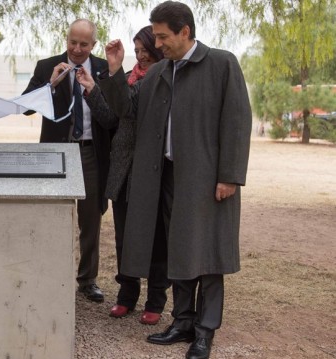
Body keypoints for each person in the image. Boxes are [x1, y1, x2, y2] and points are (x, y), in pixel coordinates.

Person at [99, 2, 252, 358]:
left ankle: (205, 330)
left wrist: (229, 176)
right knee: (177, 249)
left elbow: (237, 121)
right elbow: (125, 111)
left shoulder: (222, 63)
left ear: (185, 32)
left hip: (208, 179)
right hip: (166, 177)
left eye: (163, 36)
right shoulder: (157, 72)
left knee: (208, 254)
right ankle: (182, 321)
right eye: (156, 35)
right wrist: (115, 70)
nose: (158, 43)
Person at [78, 25, 170, 324]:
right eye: (138, 51)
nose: (141, 57)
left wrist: (114, 73)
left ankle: (156, 299)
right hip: (123, 170)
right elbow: (110, 118)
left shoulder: (165, 79)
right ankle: (127, 295)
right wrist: (92, 89)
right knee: (124, 237)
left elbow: (130, 109)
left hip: (153, 170)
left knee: (156, 238)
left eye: (146, 51)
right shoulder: (129, 78)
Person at [23, 19, 110, 303]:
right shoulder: (46, 65)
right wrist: (49, 85)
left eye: (84, 44)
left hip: (89, 152)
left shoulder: (104, 69)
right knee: (53, 215)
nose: (76, 48)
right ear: (67, 38)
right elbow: (25, 107)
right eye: (72, 42)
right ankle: (51, 274)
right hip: (55, 153)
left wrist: (93, 89)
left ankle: (87, 279)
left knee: (90, 219)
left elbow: (111, 117)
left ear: (93, 45)